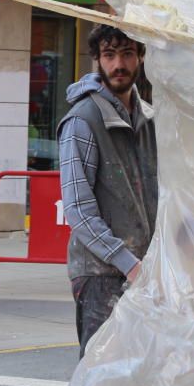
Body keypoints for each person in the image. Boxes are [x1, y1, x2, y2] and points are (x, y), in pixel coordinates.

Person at [57, 24, 157, 358]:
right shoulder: (83, 121)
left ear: (141, 57)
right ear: (97, 60)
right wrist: (127, 263)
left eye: (127, 54)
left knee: (138, 378)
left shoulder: (147, 119)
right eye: (109, 55)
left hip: (143, 270)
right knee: (101, 377)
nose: (119, 65)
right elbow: (79, 211)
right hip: (100, 275)